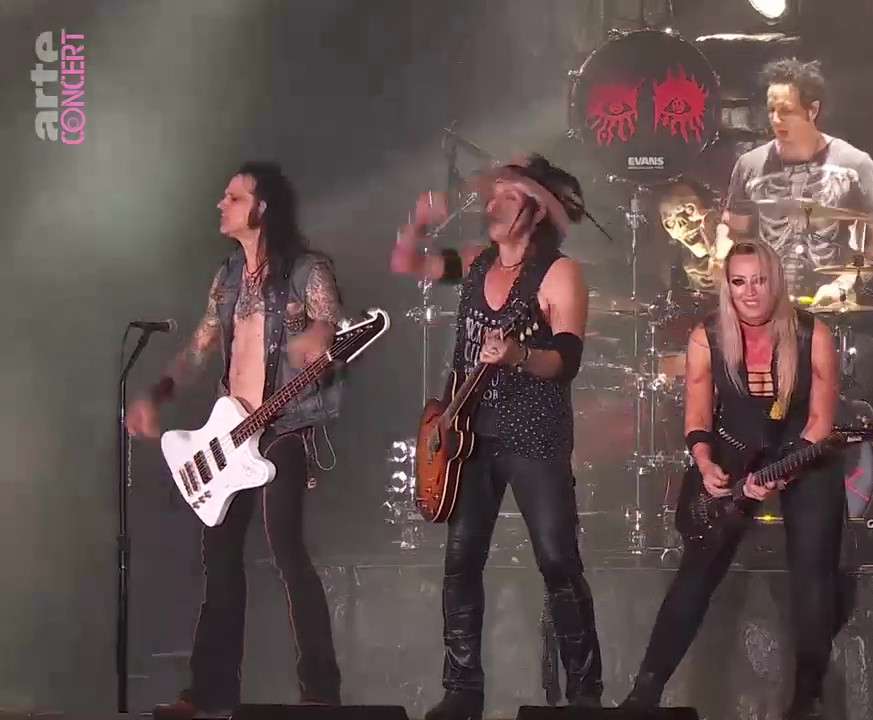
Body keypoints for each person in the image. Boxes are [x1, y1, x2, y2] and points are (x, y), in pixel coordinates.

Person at [125, 161, 345, 717]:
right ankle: (210, 690)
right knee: (220, 561)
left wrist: (319, 338)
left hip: (284, 425)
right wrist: (159, 393)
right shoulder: (226, 277)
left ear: (262, 207)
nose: (221, 205)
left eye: (233, 197)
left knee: (287, 552)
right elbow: (200, 347)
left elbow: (332, 329)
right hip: (230, 433)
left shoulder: (308, 271)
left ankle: (320, 692)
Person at [390, 155, 602, 720]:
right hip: (469, 435)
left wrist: (520, 355)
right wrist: (418, 221)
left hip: (535, 434)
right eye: (493, 195)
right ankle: (462, 690)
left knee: (557, 561)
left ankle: (585, 693)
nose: (493, 204)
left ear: (537, 210)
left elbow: (567, 360)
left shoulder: (559, 273)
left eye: (509, 197)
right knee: (461, 562)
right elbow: (407, 262)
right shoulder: (476, 261)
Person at [620, 238, 841, 720]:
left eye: (759, 280)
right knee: (697, 570)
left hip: (802, 452)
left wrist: (782, 471)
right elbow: (698, 416)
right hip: (735, 448)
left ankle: (807, 699)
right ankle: (645, 691)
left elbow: (821, 421)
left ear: (775, 281)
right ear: (727, 286)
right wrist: (704, 463)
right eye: (739, 282)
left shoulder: (813, 333)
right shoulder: (707, 337)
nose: (750, 292)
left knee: (812, 573)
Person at [720, 57, 873, 306]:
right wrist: (723, 256)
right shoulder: (749, 165)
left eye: (786, 111)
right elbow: (734, 231)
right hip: (766, 306)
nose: (776, 119)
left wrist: (845, 282)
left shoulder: (855, 164)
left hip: (832, 309)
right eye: (771, 110)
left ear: (812, 110)